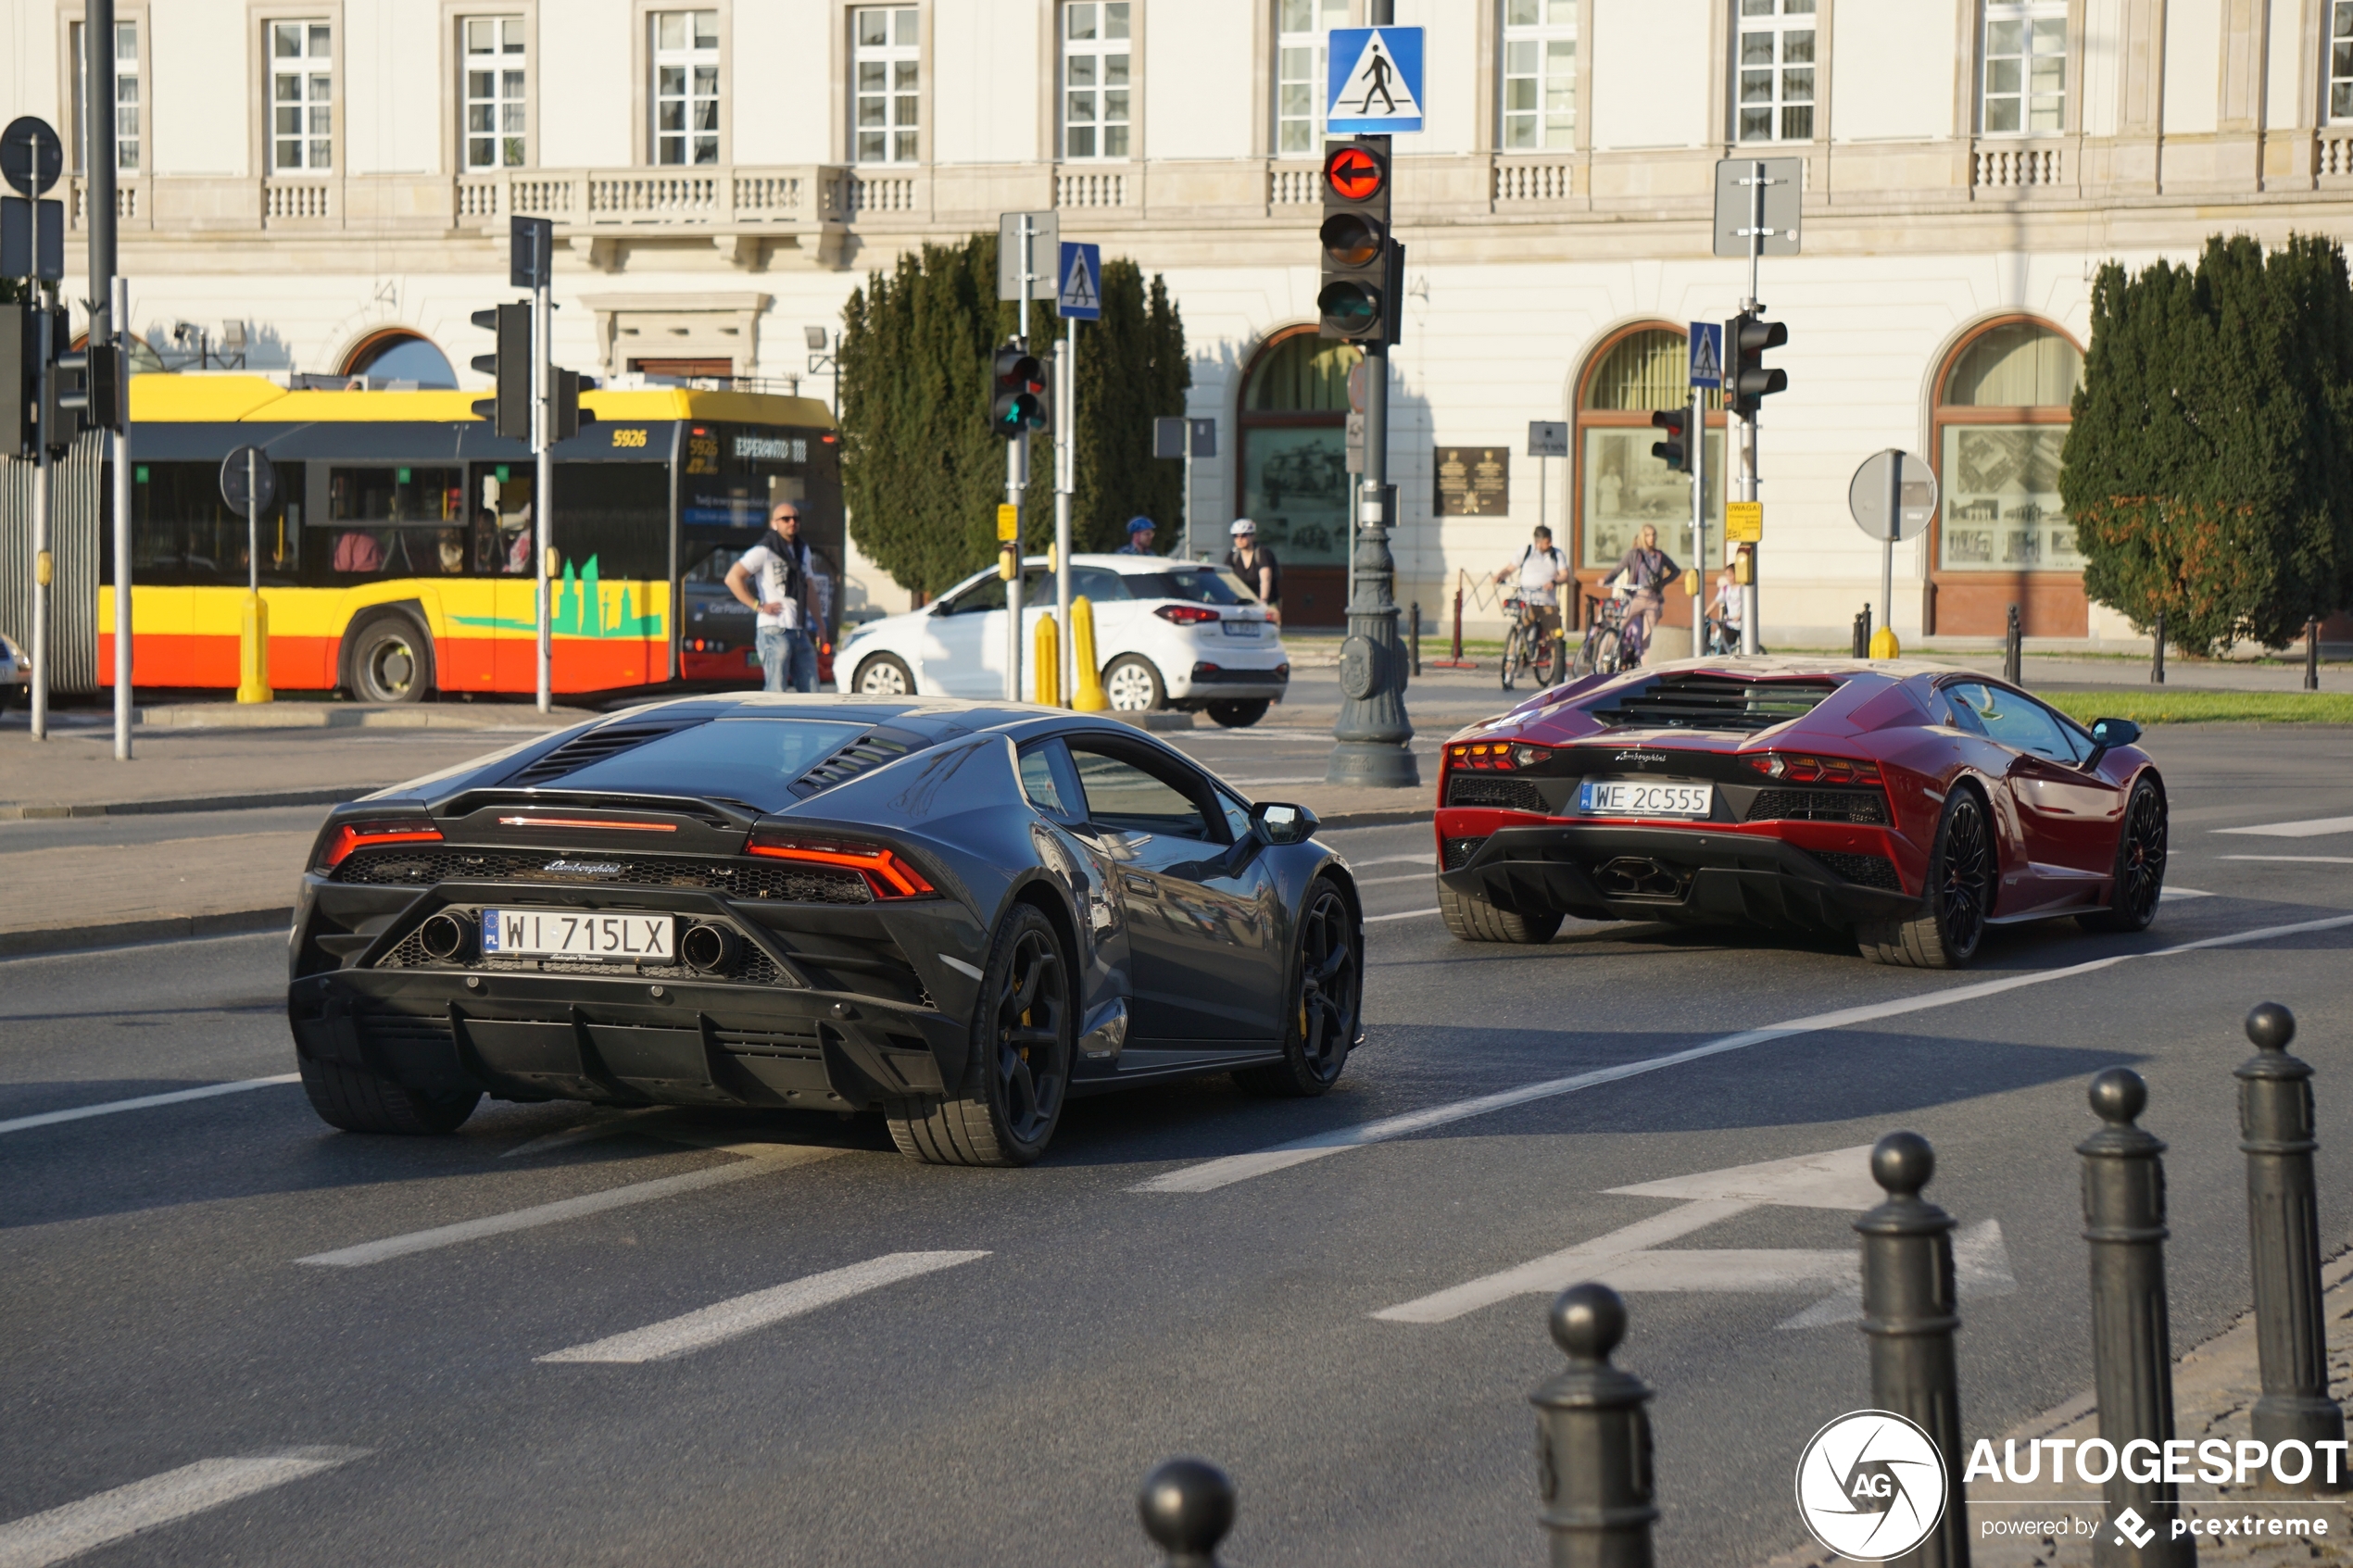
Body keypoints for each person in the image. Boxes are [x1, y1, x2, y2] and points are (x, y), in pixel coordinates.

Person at [725, 502, 833, 694]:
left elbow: (809, 589)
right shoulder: (764, 550)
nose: (792, 522)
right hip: (774, 630)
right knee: (776, 691)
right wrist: (758, 605)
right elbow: (733, 578)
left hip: (799, 631)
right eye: (786, 519)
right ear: (774, 523)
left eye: (796, 519)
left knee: (812, 694)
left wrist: (821, 626)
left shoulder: (802, 550)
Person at [1604, 522, 1680, 663]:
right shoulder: (1634, 554)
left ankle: (1646, 671)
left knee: (1648, 639)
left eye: (1653, 535)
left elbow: (1676, 570)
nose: (1651, 538)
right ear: (1642, 537)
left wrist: (1663, 582)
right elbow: (1619, 568)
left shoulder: (1659, 555)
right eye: (1648, 535)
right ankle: (1600, 657)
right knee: (1618, 627)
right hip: (1636, 597)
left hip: (1652, 599)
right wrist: (1606, 579)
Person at [1227, 518, 1281, 623]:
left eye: (1244, 535)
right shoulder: (1233, 555)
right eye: (1235, 536)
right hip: (1243, 603)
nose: (1239, 539)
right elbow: (1225, 578)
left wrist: (1263, 601)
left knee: (1267, 631)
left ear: (1252, 536)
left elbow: (1266, 579)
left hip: (1266, 602)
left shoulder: (1262, 553)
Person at [1705, 567, 1743, 654]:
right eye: (1727, 576)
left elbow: (1747, 604)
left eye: (1730, 575)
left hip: (1742, 624)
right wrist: (1706, 613)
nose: (1728, 578)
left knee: (1745, 650)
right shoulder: (1726, 589)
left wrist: (1739, 616)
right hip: (1730, 624)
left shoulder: (1742, 588)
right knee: (1724, 650)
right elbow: (1716, 601)